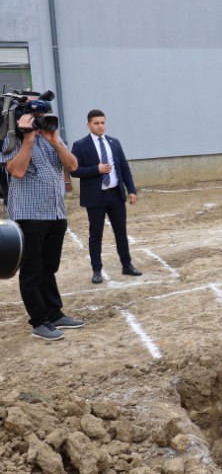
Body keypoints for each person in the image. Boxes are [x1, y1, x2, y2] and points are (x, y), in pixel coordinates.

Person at [0, 104, 84, 341]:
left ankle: (54, 314)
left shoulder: (51, 139)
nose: (40, 122)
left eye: (42, 117)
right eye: (35, 118)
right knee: (32, 271)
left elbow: (73, 166)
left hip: (56, 214)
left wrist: (55, 140)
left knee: (49, 268)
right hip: (29, 216)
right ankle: (39, 321)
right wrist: (27, 139)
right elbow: (16, 171)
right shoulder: (12, 141)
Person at [71, 109, 141, 284]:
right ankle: (97, 270)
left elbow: (124, 168)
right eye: (96, 123)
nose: (100, 126)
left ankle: (127, 264)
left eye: (102, 122)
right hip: (96, 197)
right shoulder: (80, 145)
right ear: (89, 125)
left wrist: (131, 190)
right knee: (96, 235)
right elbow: (74, 171)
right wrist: (97, 169)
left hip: (115, 195)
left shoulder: (114, 143)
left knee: (121, 233)